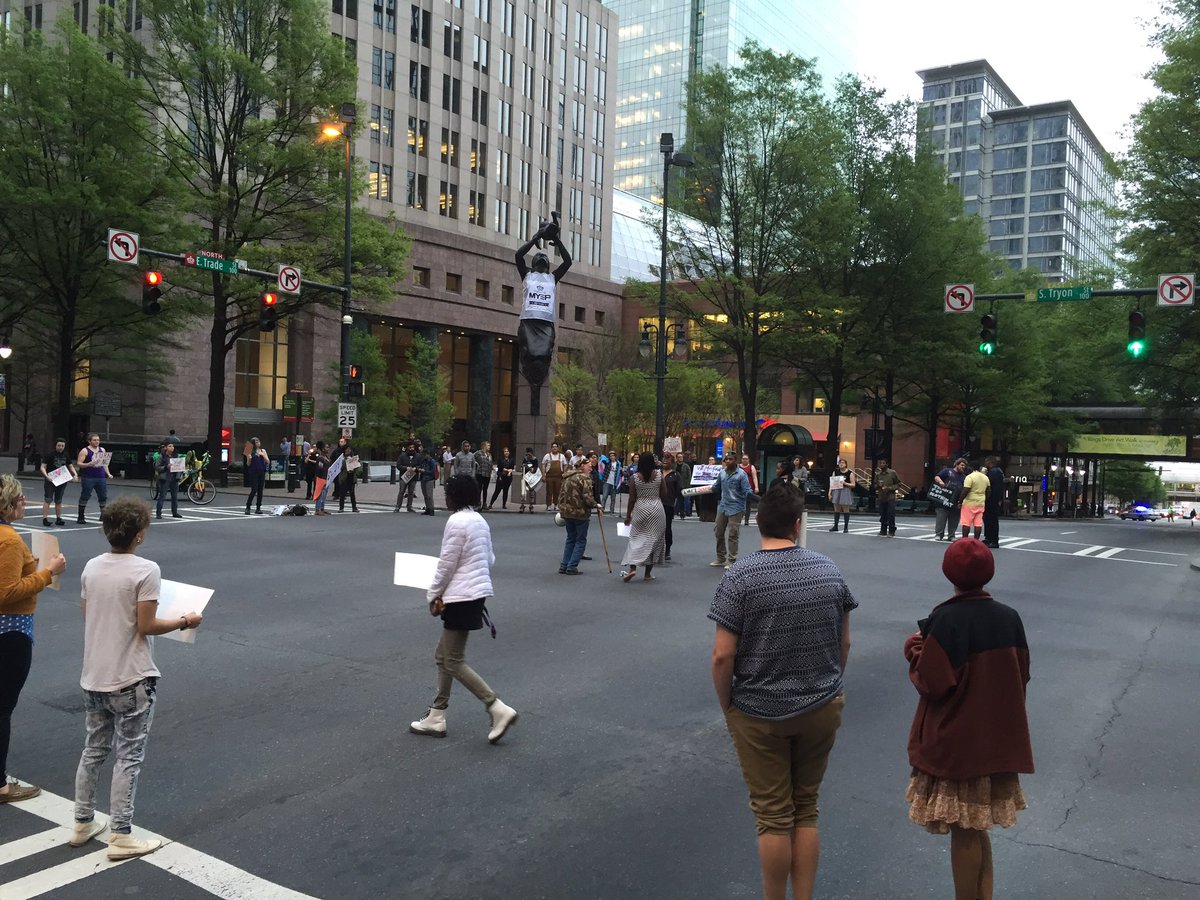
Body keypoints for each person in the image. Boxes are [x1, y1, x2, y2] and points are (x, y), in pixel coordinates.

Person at [708, 481, 855, 900]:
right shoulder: (828, 570)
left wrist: (729, 706)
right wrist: (830, 684)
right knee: (806, 807)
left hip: (759, 710)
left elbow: (723, 656)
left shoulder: (740, 577)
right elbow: (843, 642)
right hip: (821, 702)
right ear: (797, 523)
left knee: (773, 816)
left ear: (758, 522)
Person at [71, 497, 203, 859]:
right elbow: (146, 626)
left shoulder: (91, 567)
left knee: (93, 750)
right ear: (139, 535)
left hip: (93, 675)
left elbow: (89, 613)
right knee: (129, 756)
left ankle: (82, 821)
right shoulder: (145, 571)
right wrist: (184, 621)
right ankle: (121, 834)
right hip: (130, 676)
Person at [904, 539, 1033, 899]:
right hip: (996, 738)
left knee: (964, 831)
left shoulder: (947, 620)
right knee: (978, 828)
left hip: (961, 744)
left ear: (949, 573)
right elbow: (1021, 673)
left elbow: (933, 683)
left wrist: (915, 651)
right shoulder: (1009, 618)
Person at [409, 475, 518, 743]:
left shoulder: (457, 521)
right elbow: (489, 557)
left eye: (448, 491)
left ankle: (496, 706)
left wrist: (433, 593)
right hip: (476, 592)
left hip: (460, 595)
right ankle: (437, 714)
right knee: (443, 655)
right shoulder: (479, 520)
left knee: (452, 660)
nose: (445, 496)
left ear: (455, 496)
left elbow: (447, 563)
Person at [0, 474, 68, 805]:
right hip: (10, 631)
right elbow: (6, 592)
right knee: (2, 707)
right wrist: (47, 573)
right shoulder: (9, 540)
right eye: (20, 499)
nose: (24, 502)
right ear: (8, 504)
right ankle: (0, 784)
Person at [514, 217, 572, 389]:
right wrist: (535, 238)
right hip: (529, 322)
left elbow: (568, 262)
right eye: (538, 256)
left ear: (547, 264)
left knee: (544, 353)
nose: (541, 257)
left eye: (544, 257)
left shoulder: (552, 278)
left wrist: (556, 239)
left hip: (546, 325)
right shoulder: (526, 274)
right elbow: (518, 255)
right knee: (528, 351)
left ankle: (539, 376)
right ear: (533, 263)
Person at [620, 452, 667, 583]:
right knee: (653, 541)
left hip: (641, 509)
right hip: (657, 509)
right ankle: (647, 574)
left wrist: (628, 515)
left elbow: (631, 499)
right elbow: (664, 493)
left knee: (635, 539)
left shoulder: (634, 477)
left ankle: (632, 568)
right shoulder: (658, 475)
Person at [558, 455, 598, 574]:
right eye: (589, 466)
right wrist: (596, 505)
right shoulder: (584, 478)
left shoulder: (567, 477)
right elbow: (587, 498)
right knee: (580, 540)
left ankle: (564, 565)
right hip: (580, 513)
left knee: (570, 538)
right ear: (582, 466)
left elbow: (561, 494)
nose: (591, 468)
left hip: (567, 511)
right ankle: (572, 566)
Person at [710, 455, 751, 569]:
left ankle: (732, 560)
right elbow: (716, 486)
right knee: (718, 531)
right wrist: (708, 488)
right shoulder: (722, 473)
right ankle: (720, 557)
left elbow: (747, 490)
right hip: (723, 505)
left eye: (730, 459)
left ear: (735, 461)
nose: (727, 461)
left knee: (733, 534)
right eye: (726, 460)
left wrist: (753, 497)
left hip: (737, 507)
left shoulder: (741, 474)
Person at [40, 437, 79, 527]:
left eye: (62, 446)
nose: (61, 447)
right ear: (56, 445)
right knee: (48, 499)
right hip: (51, 479)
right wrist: (46, 476)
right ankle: (45, 518)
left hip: (61, 480)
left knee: (59, 500)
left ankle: (59, 518)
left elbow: (70, 466)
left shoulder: (66, 456)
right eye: (59, 445)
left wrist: (75, 474)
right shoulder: (49, 455)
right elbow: (43, 467)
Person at [76, 433, 112, 524]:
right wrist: (88, 464)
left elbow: (104, 463)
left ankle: (103, 515)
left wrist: (108, 473)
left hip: (100, 476)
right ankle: (81, 516)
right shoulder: (85, 451)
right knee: (85, 495)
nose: (97, 442)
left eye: (98, 440)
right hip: (88, 477)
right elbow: (79, 463)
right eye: (94, 440)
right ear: (89, 441)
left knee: (103, 496)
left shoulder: (102, 450)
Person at [933, 459, 969, 541]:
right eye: (962, 465)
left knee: (954, 518)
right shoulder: (947, 471)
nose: (963, 467)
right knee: (941, 517)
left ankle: (951, 535)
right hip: (944, 498)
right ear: (957, 464)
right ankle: (939, 534)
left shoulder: (964, 477)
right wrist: (940, 482)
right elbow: (937, 477)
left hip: (956, 500)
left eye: (964, 466)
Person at [153, 441, 184, 520]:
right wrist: (166, 467)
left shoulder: (175, 456)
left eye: (172, 446)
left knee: (175, 497)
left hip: (174, 478)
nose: (172, 448)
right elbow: (157, 467)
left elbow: (180, 467)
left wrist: (179, 473)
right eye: (170, 446)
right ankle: (158, 513)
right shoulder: (162, 456)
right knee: (162, 496)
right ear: (166, 448)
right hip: (165, 478)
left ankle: (175, 512)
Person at [959, 463, 990, 541]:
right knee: (978, 524)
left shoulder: (969, 477)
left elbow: (965, 490)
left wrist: (960, 501)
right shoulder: (985, 477)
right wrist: (985, 499)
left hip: (969, 503)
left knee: (966, 523)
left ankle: (965, 539)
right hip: (981, 503)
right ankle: (976, 540)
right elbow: (989, 490)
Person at [661, 455, 682, 560]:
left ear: (672, 462)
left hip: (668, 504)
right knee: (655, 527)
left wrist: (680, 508)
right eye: (664, 459)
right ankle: (656, 549)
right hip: (656, 503)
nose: (665, 461)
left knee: (667, 527)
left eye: (668, 460)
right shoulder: (657, 473)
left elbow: (679, 490)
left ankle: (667, 549)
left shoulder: (675, 475)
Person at [243, 437, 270, 515]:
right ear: (253, 443)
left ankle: (258, 508)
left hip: (261, 472)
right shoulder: (249, 450)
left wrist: (262, 455)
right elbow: (248, 464)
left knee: (260, 490)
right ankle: (248, 507)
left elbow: (267, 461)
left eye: (259, 441)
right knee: (254, 489)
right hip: (253, 472)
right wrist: (249, 459)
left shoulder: (263, 450)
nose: (258, 442)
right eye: (256, 441)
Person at [875, 459, 902, 537]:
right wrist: (878, 486)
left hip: (890, 497)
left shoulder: (892, 473)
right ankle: (883, 530)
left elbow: (899, 484)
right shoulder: (878, 474)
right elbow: (875, 485)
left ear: (887, 464)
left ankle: (891, 531)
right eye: (881, 463)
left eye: (883, 463)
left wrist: (889, 488)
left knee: (891, 514)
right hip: (881, 497)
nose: (882, 465)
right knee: (882, 514)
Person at [827, 460, 856, 533]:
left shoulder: (850, 473)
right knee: (836, 508)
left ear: (846, 464)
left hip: (845, 490)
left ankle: (846, 527)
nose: (841, 464)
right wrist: (829, 493)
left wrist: (845, 483)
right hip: (836, 489)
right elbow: (832, 483)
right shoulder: (835, 472)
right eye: (840, 463)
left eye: (843, 463)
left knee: (845, 508)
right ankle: (835, 526)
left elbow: (853, 485)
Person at [983, 457, 1005, 548]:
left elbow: (986, 483)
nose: (985, 464)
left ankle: (993, 539)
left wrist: (983, 474)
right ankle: (989, 538)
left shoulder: (993, 472)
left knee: (991, 520)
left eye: (986, 462)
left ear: (990, 462)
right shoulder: (998, 471)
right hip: (994, 498)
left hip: (992, 499)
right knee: (989, 519)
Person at [335, 438, 361, 513]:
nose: (348, 451)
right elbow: (340, 467)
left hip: (351, 477)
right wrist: (346, 462)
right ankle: (341, 507)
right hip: (344, 477)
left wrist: (354, 462)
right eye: (347, 450)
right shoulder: (342, 458)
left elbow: (357, 466)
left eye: (349, 450)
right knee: (342, 493)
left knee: (352, 493)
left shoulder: (352, 457)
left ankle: (354, 507)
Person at [396, 441, 420, 513]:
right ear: (407, 448)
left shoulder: (418, 456)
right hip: (404, 476)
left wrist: (416, 468)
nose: (411, 449)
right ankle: (398, 506)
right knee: (401, 491)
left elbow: (421, 465)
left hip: (413, 476)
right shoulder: (402, 456)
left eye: (413, 447)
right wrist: (406, 468)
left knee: (411, 492)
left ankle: (409, 506)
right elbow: (398, 465)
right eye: (410, 447)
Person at [309, 443, 332, 515]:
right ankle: (317, 509)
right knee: (320, 494)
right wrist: (317, 478)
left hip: (326, 477)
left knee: (324, 494)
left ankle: (322, 508)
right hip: (321, 478)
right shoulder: (320, 458)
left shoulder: (326, 457)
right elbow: (319, 468)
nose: (328, 449)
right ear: (323, 449)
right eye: (327, 447)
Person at [542, 442, 566, 511]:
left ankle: (556, 505)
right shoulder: (547, 456)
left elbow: (565, 465)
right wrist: (543, 475)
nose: (554, 448)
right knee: (549, 491)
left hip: (559, 477)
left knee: (557, 491)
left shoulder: (562, 456)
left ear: (558, 448)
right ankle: (548, 505)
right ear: (551, 448)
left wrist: (564, 474)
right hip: (549, 476)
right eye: (553, 447)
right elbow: (543, 465)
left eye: (556, 447)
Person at [739, 453, 760, 526]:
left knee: (748, 504)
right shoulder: (738, 467)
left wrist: (756, 487)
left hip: (748, 488)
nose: (745, 460)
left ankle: (746, 520)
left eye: (746, 459)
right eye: (743, 459)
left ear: (748, 460)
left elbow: (754, 477)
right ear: (741, 459)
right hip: (739, 489)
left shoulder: (751, 467)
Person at [417, 444, 438, 515]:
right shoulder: (423, 461)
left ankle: (431, 509)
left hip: (429, 479)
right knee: (425, 495)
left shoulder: (432, 461)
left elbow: (432, 471)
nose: (423, 456)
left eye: (424, 455)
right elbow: (419, 466)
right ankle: (428, 508)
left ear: (427, 454)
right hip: (423, 478)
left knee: (429, 495)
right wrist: (419, 469)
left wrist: (424, 471)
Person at [474, 441, 495, 512]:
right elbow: (472, 458)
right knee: (479, 488)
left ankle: (484, 503)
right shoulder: (478, 453)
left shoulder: (489, 455)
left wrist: (493, 468)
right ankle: (478, 503)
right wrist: (476, 464)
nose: (489, 447)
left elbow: (491, 463)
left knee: (485, 489)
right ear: (484, 446)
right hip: (480, 473)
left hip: (487, 473)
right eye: (488, 445)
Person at [519, 448, 540, 513]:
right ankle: (522, 505)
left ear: (531, 453)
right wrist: (522, 467)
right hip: (525, 477)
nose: (528, 455)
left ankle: (531, 506)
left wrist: (529, 468)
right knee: (523, 492)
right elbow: (522, 466)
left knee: (531, 492)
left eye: (529, 454)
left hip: (532, 477)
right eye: (527, 454)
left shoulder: (535, 459)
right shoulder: (525, 459)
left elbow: (535, 469)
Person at [676, 452, 693, 519]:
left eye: (681, 457)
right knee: (677, 499)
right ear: (677, 458)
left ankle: (687, 511)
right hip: (676, 485)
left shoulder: (686, 466)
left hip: (685, 485)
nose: (680, 458)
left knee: (686, 499)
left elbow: (689, 476)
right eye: (679, 457)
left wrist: (688, 485)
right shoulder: (674, 465)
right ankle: (676, 511)